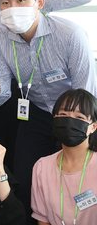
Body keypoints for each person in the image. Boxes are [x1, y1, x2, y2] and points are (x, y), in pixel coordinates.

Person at [0, 0, 97, 220]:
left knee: (81, 175)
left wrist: (79, 125)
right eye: (5, 2)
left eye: (21, 0)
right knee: (24, 176)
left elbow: (85, 93)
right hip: (37, 114)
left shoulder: (70, 35)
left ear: (39, 2)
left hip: (74, 115)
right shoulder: (0, 37)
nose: (13, 8)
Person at [32, 89, 97, 225]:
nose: (69, 121)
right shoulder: (42, 167)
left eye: (79, 117)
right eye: (63, 114)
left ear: (93, 127)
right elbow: (42, 219)